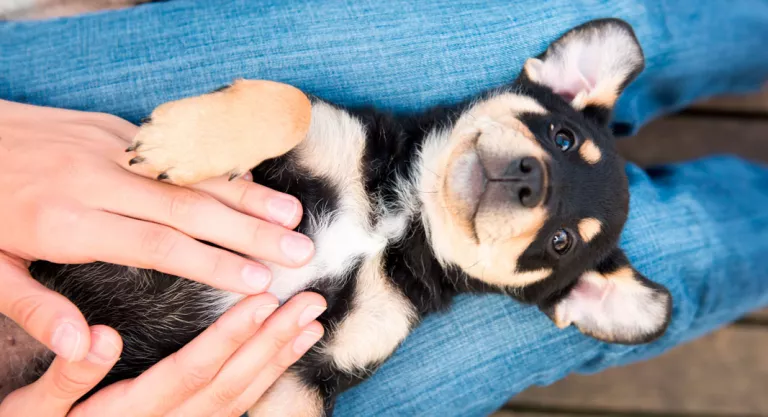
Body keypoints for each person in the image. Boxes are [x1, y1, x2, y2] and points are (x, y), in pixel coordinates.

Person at [1, 0, 767, 415]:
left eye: (561, 235)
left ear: (559, 292)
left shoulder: (383, 296)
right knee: (676, 250)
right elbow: (289, 117)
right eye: (561, 138)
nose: (537, 182)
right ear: (552, 86)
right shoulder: (346, 155)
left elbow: (303, 383)